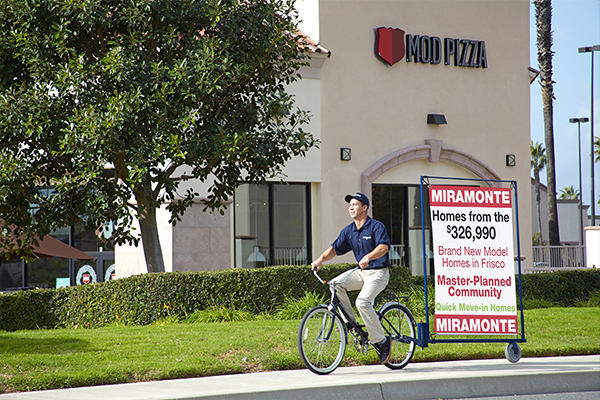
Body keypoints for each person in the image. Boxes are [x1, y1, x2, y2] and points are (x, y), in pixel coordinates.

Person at [311, 192, 392, 364]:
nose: (351, 208)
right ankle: (351, 324)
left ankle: (382, 342)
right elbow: (334, 249)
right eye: (350, 205)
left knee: (362, 302)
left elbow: (384, 247)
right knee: (335, 284)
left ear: (364, 207)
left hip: (378, 272)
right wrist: (319, 260)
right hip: (362, 273)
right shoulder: (349, 231)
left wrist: (369, 256)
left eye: (355, 204)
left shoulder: (376, 226)